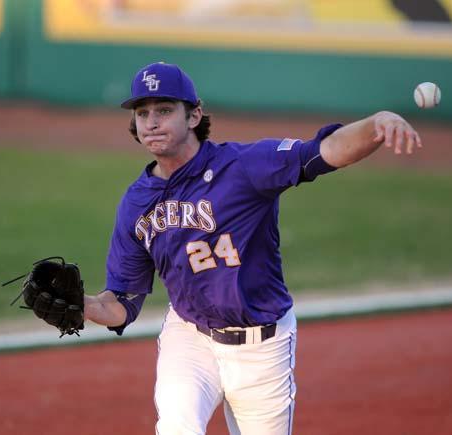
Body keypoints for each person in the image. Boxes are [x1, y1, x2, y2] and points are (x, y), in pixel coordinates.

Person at [83, 62, 422, 434]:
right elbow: (122, 303)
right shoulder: (136, 202)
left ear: (194, 114)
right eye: (142, 113)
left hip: (263, 346)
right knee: (178, 428)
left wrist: (377, 123)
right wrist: (82, 306)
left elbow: (323, 152)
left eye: (164, 110)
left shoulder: (245, 166)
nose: (151, 122)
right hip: (190, 338)